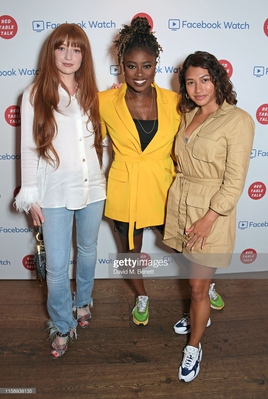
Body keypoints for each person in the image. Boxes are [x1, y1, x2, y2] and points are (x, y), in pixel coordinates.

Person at [15, 23, 106, 358]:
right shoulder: (35, 93)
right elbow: (28, 148)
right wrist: (31, 195)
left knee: (87, 251)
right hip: (53, 192)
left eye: (77, 49)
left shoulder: (93, 92)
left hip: (93, 188)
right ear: (51, 51)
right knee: (55, 267)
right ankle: (62, 323)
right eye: (62, 47)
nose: (69, 55)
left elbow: (99, 142)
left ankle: (83, 302)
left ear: (84, 55)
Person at [163, 51, 255, 382]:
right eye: (190, 82)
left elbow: (234, 181)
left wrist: (209, 217)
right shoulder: (187, 115)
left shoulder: (239, 120)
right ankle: (197, 313)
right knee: (191, 274)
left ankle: (195, 345)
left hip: (210, 212)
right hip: (181, 203)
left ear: (218, 79)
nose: (198, 88)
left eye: (205, 79)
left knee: (197, 287)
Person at [98, 17, 180, 326]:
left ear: (156, 64)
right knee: (130, 253)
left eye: (147, 66)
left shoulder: (176, 102)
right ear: (121, 64)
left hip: (162, 188)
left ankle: (203, 283)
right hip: (125, 188)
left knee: (179, 245)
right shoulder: (105, 101)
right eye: (131, 66)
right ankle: (141, 295)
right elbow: (90, 143)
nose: (139, 74)